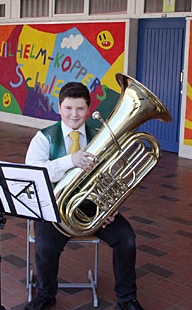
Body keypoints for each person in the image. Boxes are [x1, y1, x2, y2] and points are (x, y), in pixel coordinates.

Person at [24, 82, 143, 310]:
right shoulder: (43, 138)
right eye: (68, 108)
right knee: (45, 246)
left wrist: (111, 205)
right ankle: (46, 294)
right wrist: (70, 160)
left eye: (80, 109)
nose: (74, 115)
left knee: (126, 239)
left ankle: (127, 299)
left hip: (92, 207)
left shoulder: (100, 136)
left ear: (88, 110)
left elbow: (114, 176)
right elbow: (34, 173)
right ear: (59, 108)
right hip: (54, 208)